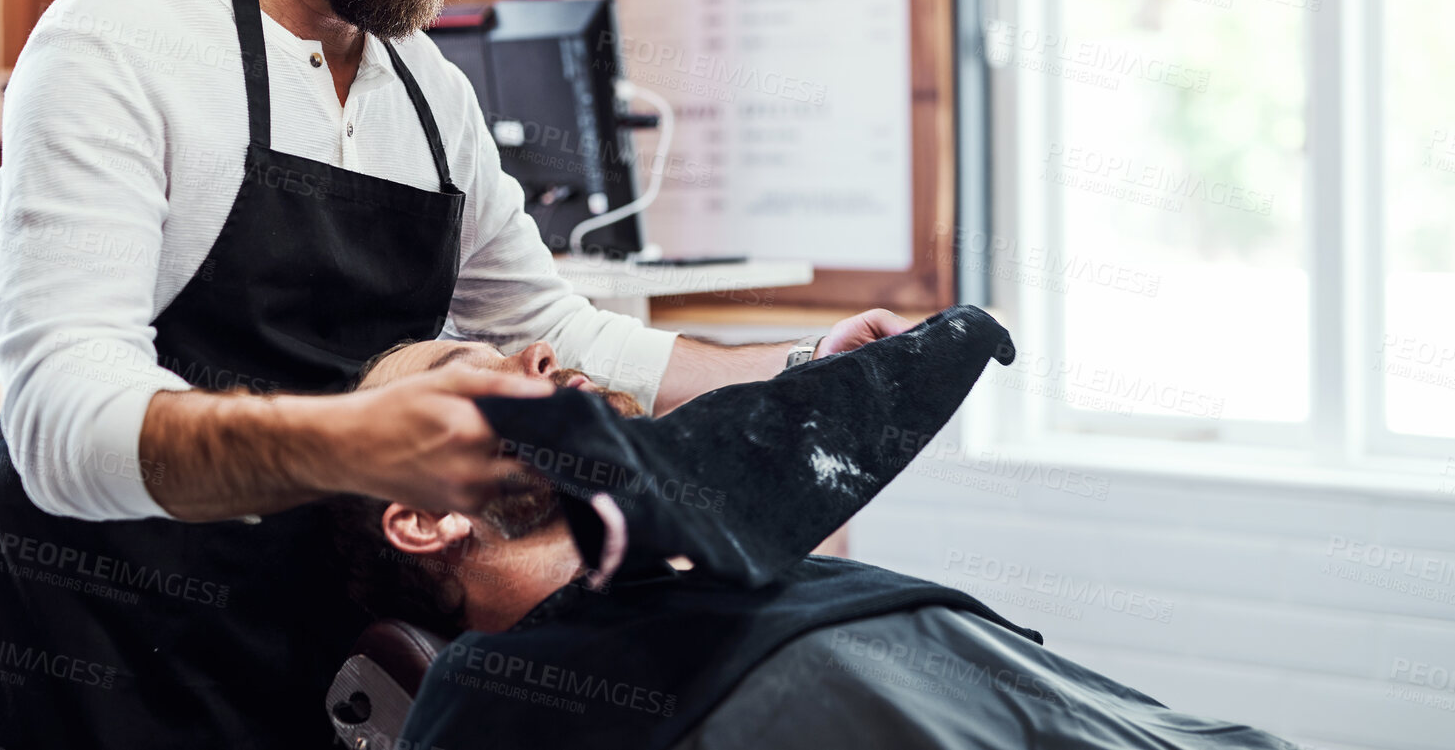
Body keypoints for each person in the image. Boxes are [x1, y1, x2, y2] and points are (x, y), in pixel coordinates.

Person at [0, 0, 910, 750]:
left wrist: (795, 367)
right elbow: (57, 425)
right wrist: (354, 443)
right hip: (107, 650)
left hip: (315, 653)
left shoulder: (428, 92)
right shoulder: (124, 38)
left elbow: (551, 326)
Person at [324, 310, 1300, 750]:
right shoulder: (495, 700)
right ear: (421, 517)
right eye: (467, 371)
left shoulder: (751, 575)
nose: (536, 351)